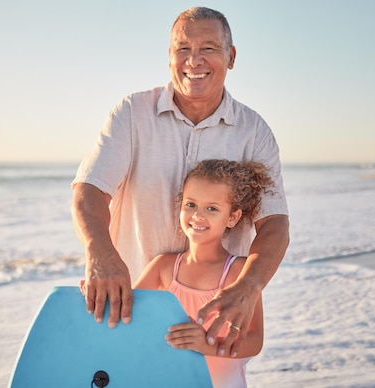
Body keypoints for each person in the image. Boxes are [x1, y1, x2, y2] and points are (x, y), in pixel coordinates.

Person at [71, 6, 289, 358]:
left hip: (215, 324)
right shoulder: (131, 113)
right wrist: (100, 253)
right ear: (170, 56)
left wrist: (248, 287)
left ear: (230, 57)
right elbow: (89, 190)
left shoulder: (254, 131)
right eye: (182, 49)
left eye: (208, 48)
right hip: (131, 314)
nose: (194, 60)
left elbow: (275, 222)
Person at [134, 159, 271, 388]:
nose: (197, 215)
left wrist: (207, 345)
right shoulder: (164, 266)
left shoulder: (239, 272)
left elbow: (255, 340)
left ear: (232, 218)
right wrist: (100, 291)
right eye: (190, 204)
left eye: (212, 208)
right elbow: (127, 311)